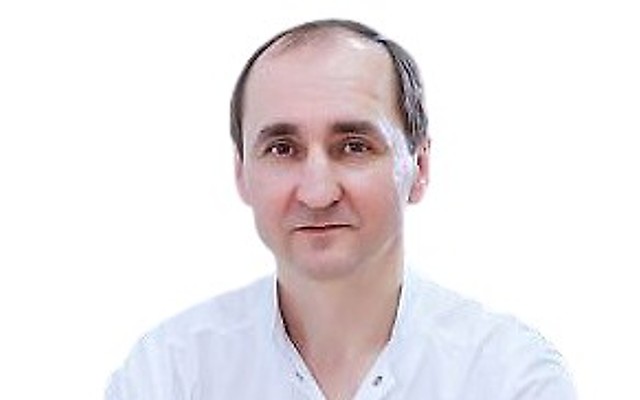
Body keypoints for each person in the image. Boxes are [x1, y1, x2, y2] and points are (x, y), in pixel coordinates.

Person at [105, 19, 576, 400]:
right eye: (282, 149)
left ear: (419, 167)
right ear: (241, 173)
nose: (317, 192)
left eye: (353, 146)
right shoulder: (167, 375)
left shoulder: (510, 378)